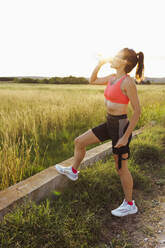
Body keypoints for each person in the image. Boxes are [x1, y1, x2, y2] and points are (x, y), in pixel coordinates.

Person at [55, 48, 144, 217]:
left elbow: (137, 111)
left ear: (125, 62)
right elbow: (93, 80)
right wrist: (100, 63)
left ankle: (130, 204)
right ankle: (73, 171)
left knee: (121, 169)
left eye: (117, 56)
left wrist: (125, 137)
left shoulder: (128, 82)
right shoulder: (112, 78)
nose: (114, 57)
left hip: (120, 127)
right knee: (79, 142)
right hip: (109, 123)